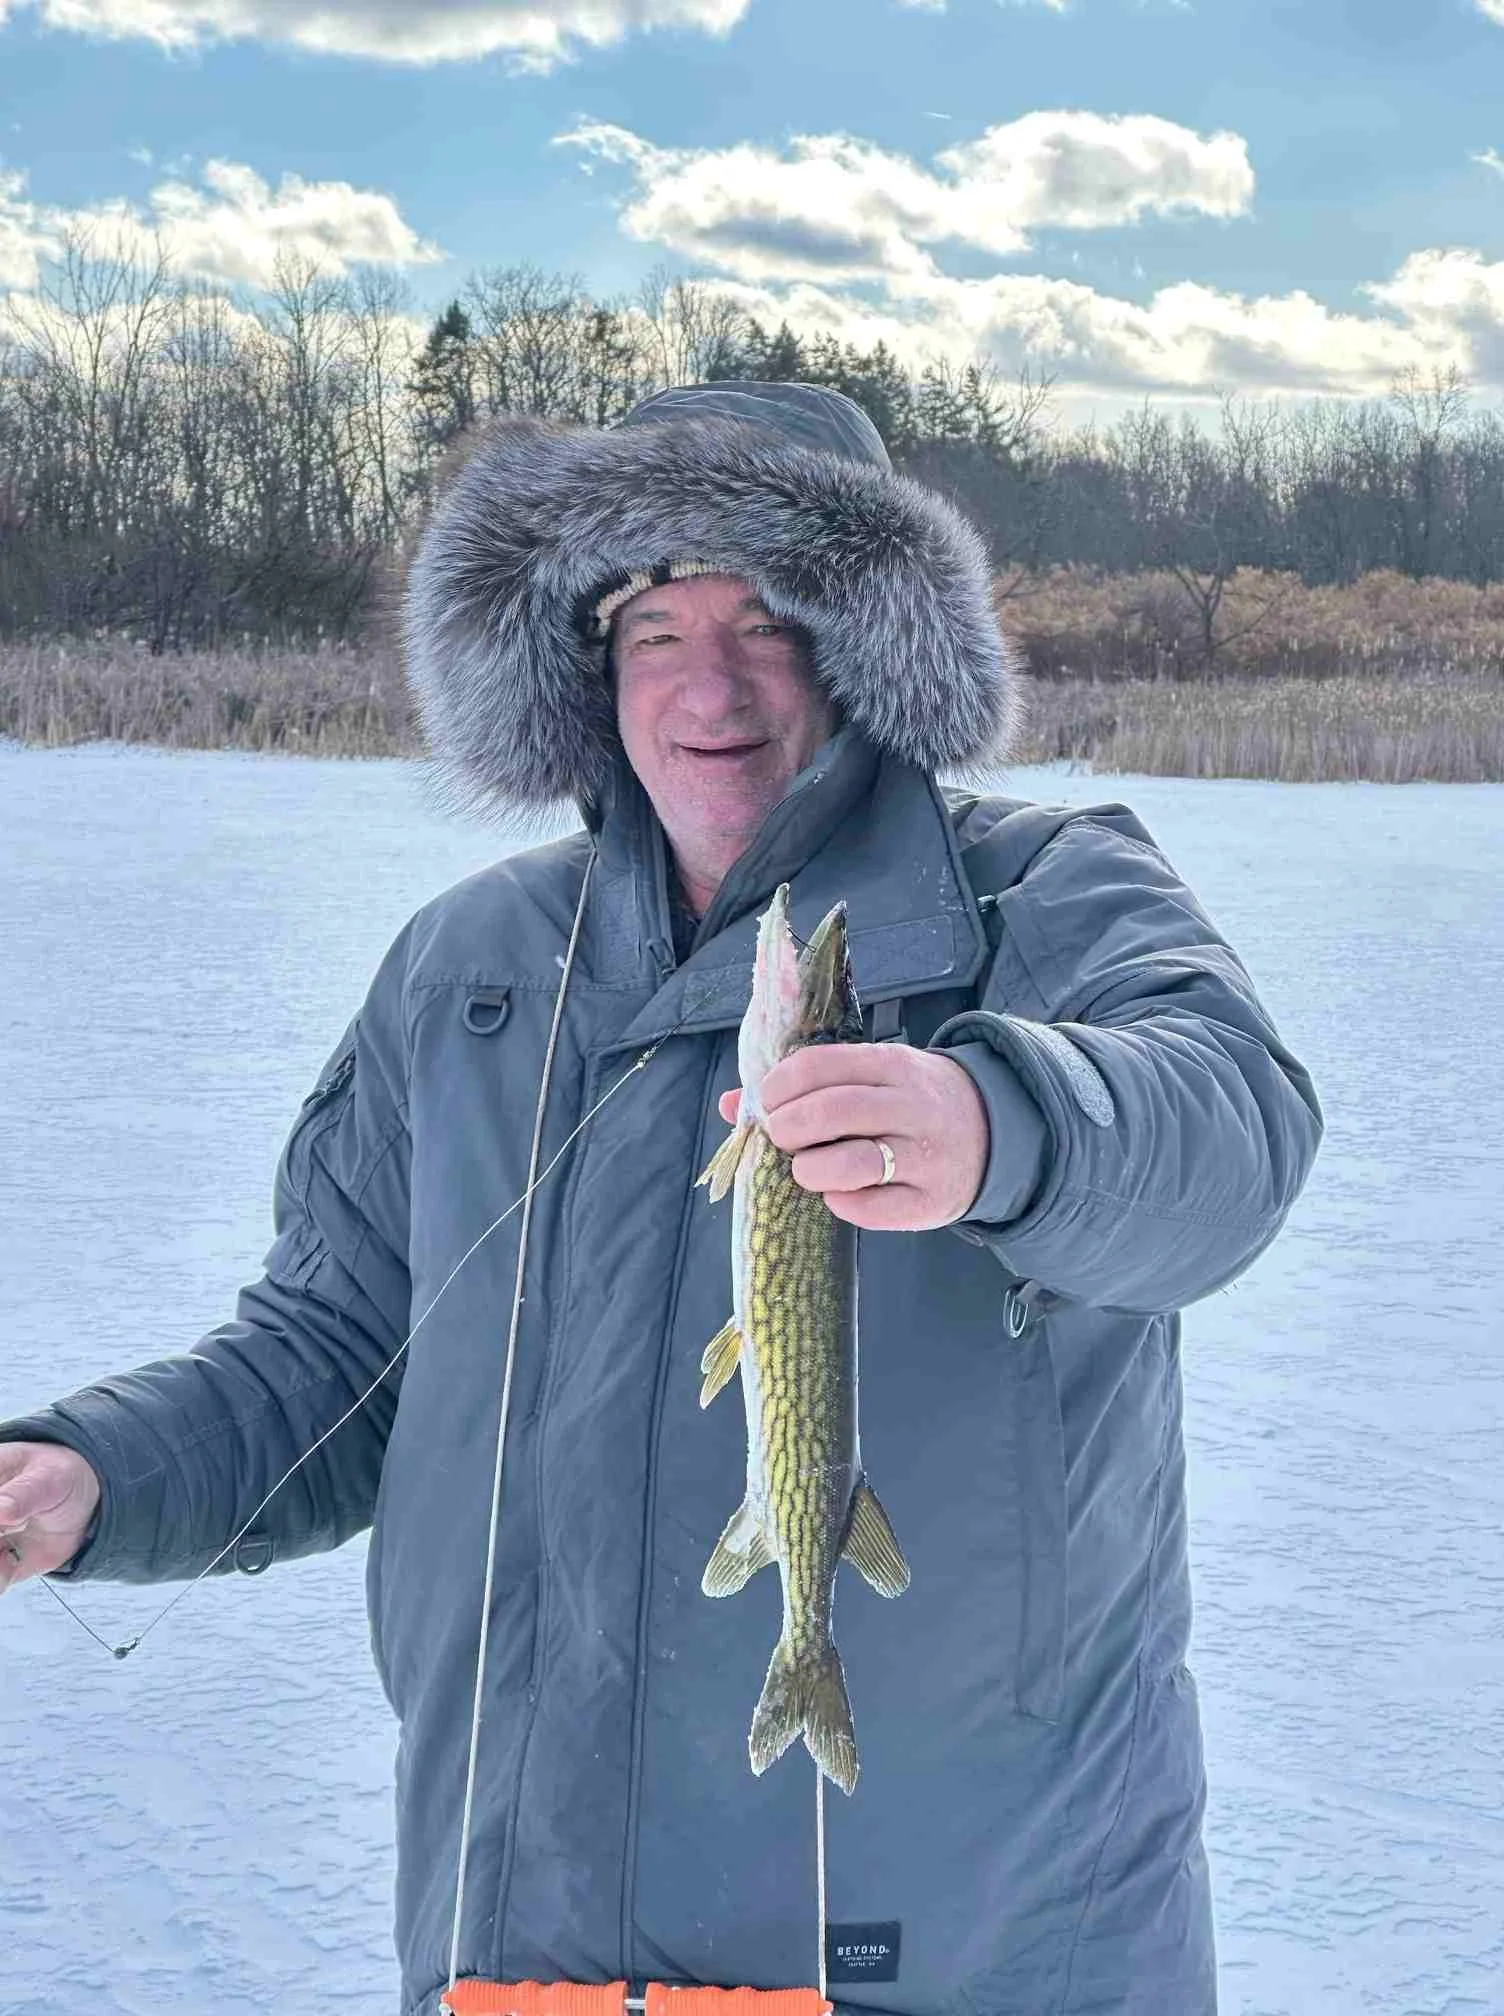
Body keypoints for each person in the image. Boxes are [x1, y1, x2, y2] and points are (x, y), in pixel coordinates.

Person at [0, 381, 1323, 2016]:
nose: (711, 685)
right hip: (525, 1955)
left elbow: (1232, 1134)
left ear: (867, 645)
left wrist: (1003, 1126)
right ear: (582, 668)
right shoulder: (472, 968)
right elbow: (337, 1355)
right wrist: (92, 1475)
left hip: (983, 1959)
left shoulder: (1047, 899)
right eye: (651, 628)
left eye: (771, 621)